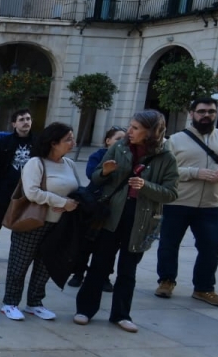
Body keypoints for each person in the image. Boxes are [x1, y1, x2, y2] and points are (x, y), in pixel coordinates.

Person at [74, 111, 178, 332]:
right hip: (111, 215)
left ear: (150, 132)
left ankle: (121, 315)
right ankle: (85, 309)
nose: (129, 131)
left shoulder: (166, 157)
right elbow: (95, 177)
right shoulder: (119, 147)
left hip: (141, 219)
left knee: (128, 270)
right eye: (130, 126)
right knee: (99, 265)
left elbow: (171, 193)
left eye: (135, 128)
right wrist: (105, 171)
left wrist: (146, 186)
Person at [154, 97, 218, 307]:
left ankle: (204, 288)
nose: (206, 115)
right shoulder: (175, 140)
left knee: (211, 247)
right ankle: (166, 281)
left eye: (211, 112)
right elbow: (165, 170)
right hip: (178, 202)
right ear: (192, 114)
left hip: (212, 204)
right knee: (168, 244)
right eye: (202, 111)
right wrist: (196, 173)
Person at [0, 123, 81, 321]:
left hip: (59, 224)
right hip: (33, 221)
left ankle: (35, 303)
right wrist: (62, 202)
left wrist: (73, 203)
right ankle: (10, 303)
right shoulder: (36, 163)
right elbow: (32, 192)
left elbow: (77, 189)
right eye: (68, 139)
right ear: (53, 143)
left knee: (45, 266)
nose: (73, 142)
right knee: (20, 264)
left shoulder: (69, 164)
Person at [68, 125, 126, 289]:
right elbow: (91, 175)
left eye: (124, 139)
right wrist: (106, 172)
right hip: (94, 206)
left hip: (114, 207)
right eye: (118, 139)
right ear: (108, 141)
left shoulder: (128, 158)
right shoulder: (98, 156)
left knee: (109, 246)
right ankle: (78, 274)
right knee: (85, 243)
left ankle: (104, 277)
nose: (121, 143)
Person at [0, 109, 35, 263]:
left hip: (28, 191)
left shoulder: (38, 142)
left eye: (28, 119)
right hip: (5, 190)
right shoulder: (4, 143)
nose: (26, 122)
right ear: (14, 124)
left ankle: (17, 254)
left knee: (22, 223)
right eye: (22, 119)